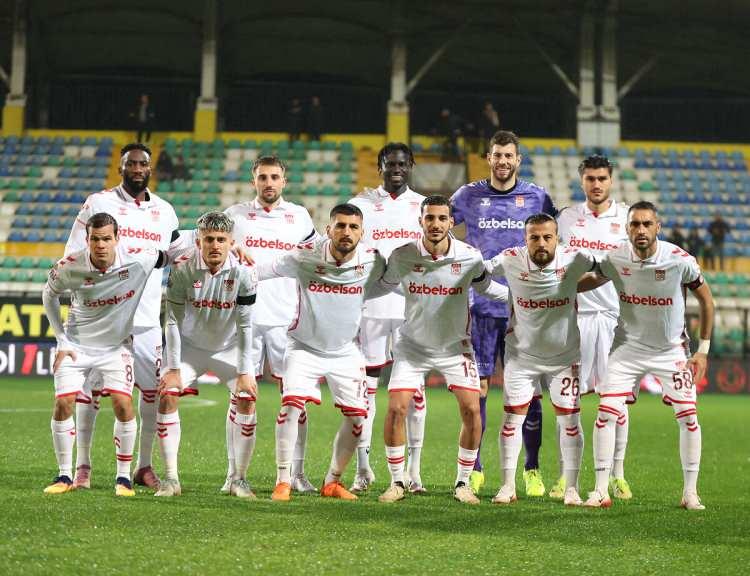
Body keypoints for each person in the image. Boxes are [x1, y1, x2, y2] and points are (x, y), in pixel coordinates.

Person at [64, 143, 183, 491]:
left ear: (150, 169)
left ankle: (143, 466)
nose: (137, 169)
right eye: (131, 163)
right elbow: (73, 254)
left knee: (151, 392)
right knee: (90, 392)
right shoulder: (98, 203)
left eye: (143, 164)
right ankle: (82, 466)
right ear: (121, 168)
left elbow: (179, 251)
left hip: (146, 317)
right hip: (103, 319)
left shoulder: (165, 211)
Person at [377, 196, 509, 505]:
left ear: (451, 222)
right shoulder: (402, 255)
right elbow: (384, 285)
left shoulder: (469, 257)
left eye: (441, 218)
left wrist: (522, 299)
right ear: (420, 221)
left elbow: (486, 288)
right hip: (412, 346)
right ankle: (397, 482)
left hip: (455, 348)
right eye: (429, 218)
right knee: (396, 408)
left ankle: (463, 483)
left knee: (472, 409)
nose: (435, 224)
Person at [584, 201, 714, 510]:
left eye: (646, 224)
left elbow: (707, 302)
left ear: (658, 227)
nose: (640, 230)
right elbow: (592, 279)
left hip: (672, 351)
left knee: (689, 418)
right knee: (606, 413)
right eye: (634, 224)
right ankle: (600, 490)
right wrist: (560, 288)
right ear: (626, 228)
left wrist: (703, 351)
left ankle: (690, 493)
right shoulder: (615, 257)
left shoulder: (679, 260)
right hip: (627, 348)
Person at [450, 130, 556, 496]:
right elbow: (439, 226)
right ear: (489, 158)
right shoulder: (467, 195)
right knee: (478, 389)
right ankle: (475, 469)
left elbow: (553, 240)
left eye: (509, 155)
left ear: (518, 160)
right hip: (479, 309)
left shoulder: (537, 196)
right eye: (497, 155)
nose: (503, 161)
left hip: (525, 310)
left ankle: (532, 469)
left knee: (530, 391)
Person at [259, 204, 387, 502]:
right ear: (328, 229)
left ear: (362, 233)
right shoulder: (304, 256)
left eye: (353, 227)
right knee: (291, 407)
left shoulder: (373, 260)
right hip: (303, 348)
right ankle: (283, 481)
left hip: (345, 350)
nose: (346, 232)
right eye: (340, 225)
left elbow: (391, 282)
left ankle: (332, 482)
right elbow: (262, 271)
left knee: (358, 419)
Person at [42, 213, 170, 496]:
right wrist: (61, 339)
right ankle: (64, 475)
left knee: (123, 404)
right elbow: (48, 294)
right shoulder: (70, 266)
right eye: (95, 239)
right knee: (63, 403)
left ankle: (123, 478)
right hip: (76, 347)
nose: (101, 245)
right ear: (87, 239)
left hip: (116, 347)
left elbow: (173, 252)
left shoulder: (139, 258)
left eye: (106, 239)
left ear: (117, 238)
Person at [485, 213, 597, 506]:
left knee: (570, 421)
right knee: (512, 419)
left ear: (557, 238)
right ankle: (507, 486)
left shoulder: (575, 258)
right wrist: (504, 294)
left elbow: (607, 270)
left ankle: (571, 488)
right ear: (525, 239)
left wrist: (574, 286)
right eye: (534, 237)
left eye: (548, 237)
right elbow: (478, 275)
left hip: (564, 358)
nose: (541, 243)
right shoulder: (510, 258)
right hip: (521, 357)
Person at [224, 155, 319, 494]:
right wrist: (232, 246)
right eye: (262, 177)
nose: (268, 183)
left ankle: (297, 473)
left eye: (274, 177)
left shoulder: (300, 216)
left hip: (286, 320)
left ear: (284, 181)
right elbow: (209, 244)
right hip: (244, 319)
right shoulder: (234, 216)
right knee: (242, 397)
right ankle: (234, 475)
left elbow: (314, 257)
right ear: (254, 181)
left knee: (295, 398)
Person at [155, 212, 259, 498]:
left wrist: (244, 372)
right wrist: (173, 368)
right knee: (168, 394)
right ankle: (170, 479)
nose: (215, 245)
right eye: (209, 239)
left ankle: (239, 479)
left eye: (221, 240)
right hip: (190, 346)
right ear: (198, 242)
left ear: (231, 242)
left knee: (247, 398)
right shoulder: (182, 268)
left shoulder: (245, 271)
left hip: (229, 346)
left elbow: (246, 325)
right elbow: (172, 321)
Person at [347, 143, 426, 494]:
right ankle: (363, 469)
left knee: (415, 391)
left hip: (413, 309)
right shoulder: (361, 205)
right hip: (372, 308)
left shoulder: (423, 206)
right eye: (390, 163)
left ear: (411, 166)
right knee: (367, 389)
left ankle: (414, 471)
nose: (396, 169)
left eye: (402, 164)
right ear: (380, 166)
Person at [556, 155, 632, 500]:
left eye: (602, 178)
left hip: (615, 320)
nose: (596, 184)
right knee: (567, 400)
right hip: (575, 319)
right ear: (581, 181)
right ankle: (565, 476)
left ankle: (617, 474)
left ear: (611, 180)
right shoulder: (566, 218)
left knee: (616, 400)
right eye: (590, 178)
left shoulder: (627, 218)